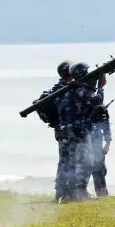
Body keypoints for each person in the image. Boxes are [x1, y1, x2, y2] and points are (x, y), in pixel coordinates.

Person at [57, 62, 106, 202]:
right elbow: (96, 101)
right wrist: (101, 87)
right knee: (86, 162)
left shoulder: (68, 90)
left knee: (73, 162)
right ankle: (80, 193)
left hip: (69, 131)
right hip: (80, 131)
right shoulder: (82, 91)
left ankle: (70, 193)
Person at [47, 60, 72, 202]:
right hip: (68, 131)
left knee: (64, 162)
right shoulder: (67, 90)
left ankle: (61, 193)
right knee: (69, 162)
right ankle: (65, 194)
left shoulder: (56, 88)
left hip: (60, 131)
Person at [88, 100, 112, 197]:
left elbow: (105, 124)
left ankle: (102, 193)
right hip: (82, 139)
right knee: (95, 168)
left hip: (96, 140)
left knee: (100, 168)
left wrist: (107, 143)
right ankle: (101, 193)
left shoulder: (96, 101)